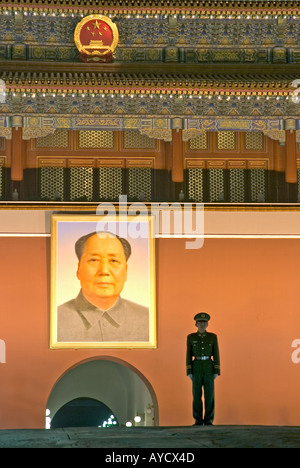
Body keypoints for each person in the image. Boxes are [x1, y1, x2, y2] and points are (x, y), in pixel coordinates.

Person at [57, 231, 149, 342]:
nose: (104, 271)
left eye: (114, 261)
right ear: (78, 270)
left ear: (125, 271)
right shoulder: (56, 320)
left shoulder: (147, 319)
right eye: (94, 260)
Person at [186, 313, 220, 426]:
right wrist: (189, 371)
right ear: (196, 324)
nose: (202, 324)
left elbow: (216, 354)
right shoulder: (191, 337)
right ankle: (198, 420)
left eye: (204, 323)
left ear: (207, 324)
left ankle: (209, 420)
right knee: (196, 396)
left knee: (209, 395)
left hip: (209, 368)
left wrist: (216, 370)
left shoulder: (212, 337)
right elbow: (188, 355)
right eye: (200, 322)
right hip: (196, 368)